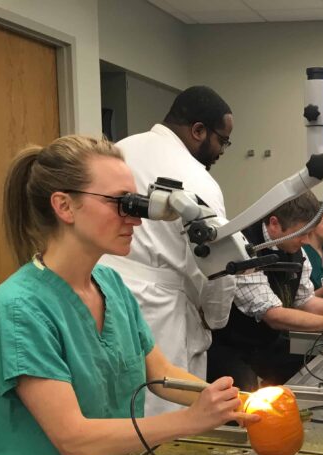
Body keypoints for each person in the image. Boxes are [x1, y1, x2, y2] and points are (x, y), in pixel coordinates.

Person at [0, 135, 257, 455]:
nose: (135, 218)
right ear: (64, 206)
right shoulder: (18, 310)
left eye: (137, 204)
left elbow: (159, 372)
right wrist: (192, 421)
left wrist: (236, 404)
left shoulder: (109, 283)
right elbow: (73, 439)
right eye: (121, 203)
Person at [100, 86, 236, 416]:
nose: (222, 150)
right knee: (162, 414)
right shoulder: (197, 180)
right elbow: (220, 268)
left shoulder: (118, 151)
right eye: (222, 140)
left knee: (113, 401)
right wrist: (216, 319)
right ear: (198, 131)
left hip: (102, 294)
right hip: (161, 314)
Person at [207, 193, 323, 391]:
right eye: (301, 233)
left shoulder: (296, 248)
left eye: (309, 232)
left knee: (313, 371)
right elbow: (273, 315)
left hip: (267, 341)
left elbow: (305, 301)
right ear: (274, 223)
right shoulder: (244, 249)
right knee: (241, 403)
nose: (306, 240)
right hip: (232, 345)